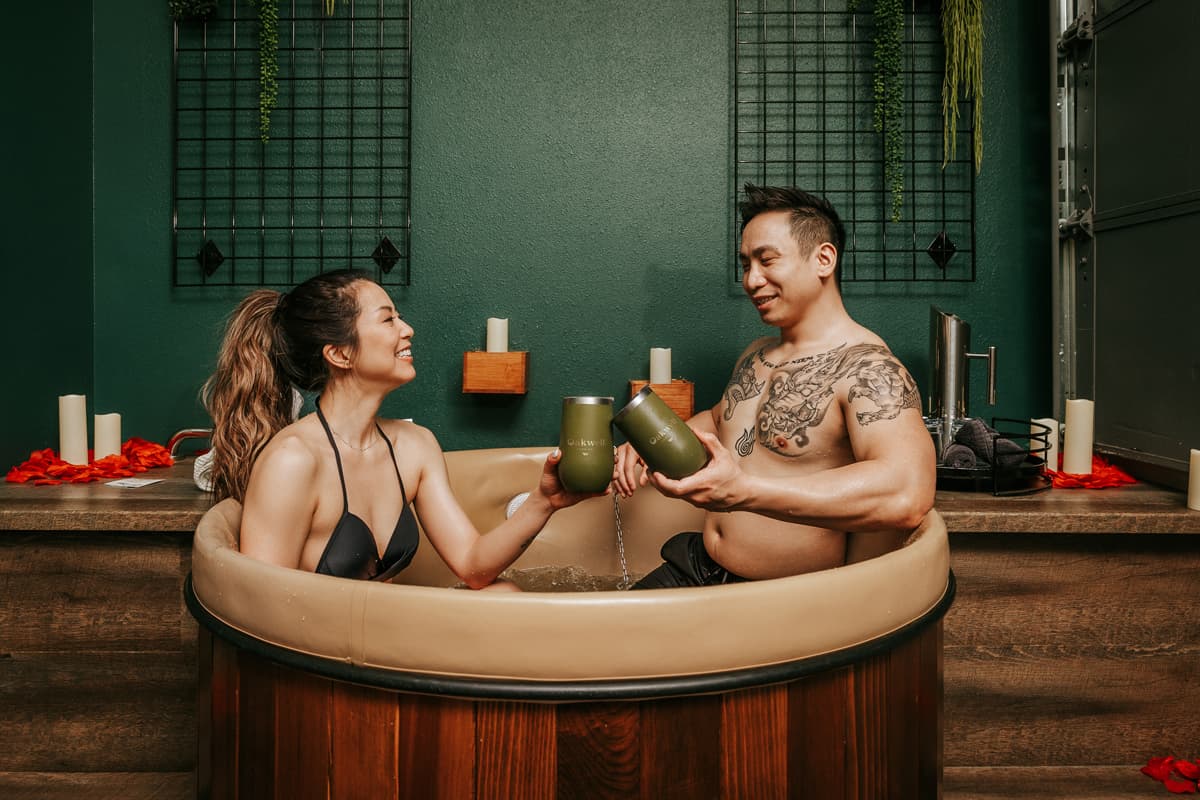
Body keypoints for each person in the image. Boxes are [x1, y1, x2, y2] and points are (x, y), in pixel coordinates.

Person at [613, 184, 936, 588]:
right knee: (599, 627)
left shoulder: (867, 368)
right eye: (746, 264)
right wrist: (653, 441)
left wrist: (743, 491)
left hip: (782, 596)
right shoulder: (757, 353)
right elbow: (721, 420)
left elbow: (907, 492)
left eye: (767, 260)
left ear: (823, 259)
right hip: (701, 565)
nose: (751, 280)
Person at [204, 268, 602, 589]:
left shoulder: (415, 446)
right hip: (323, 652)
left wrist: (544, 502)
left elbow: (473, 566)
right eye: (388, 319)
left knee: (504, 593)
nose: (407, 329)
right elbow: (263, 605)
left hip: (384, 637)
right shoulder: (293, 460)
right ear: (340, 354)